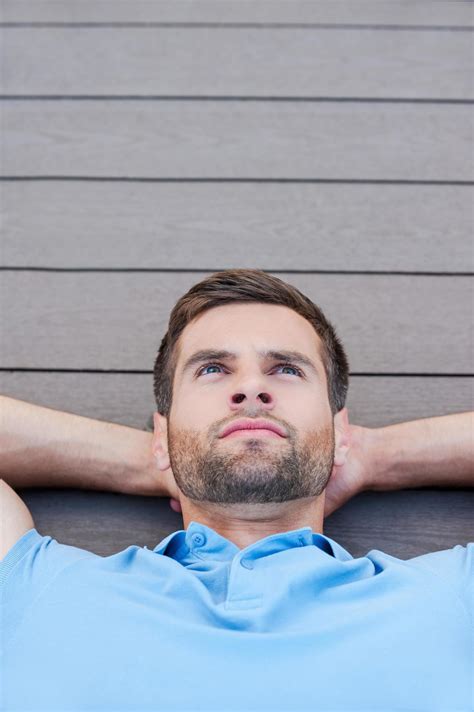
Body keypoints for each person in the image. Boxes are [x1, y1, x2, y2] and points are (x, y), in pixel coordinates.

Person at [1, 269, 472, 712]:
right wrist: (161, 457)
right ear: (162, 434)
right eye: (212, 369)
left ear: (340, 432)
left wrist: (373, 454)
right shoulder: (37, 587)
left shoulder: (453, 600)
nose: (250, 387)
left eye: (286, 369)